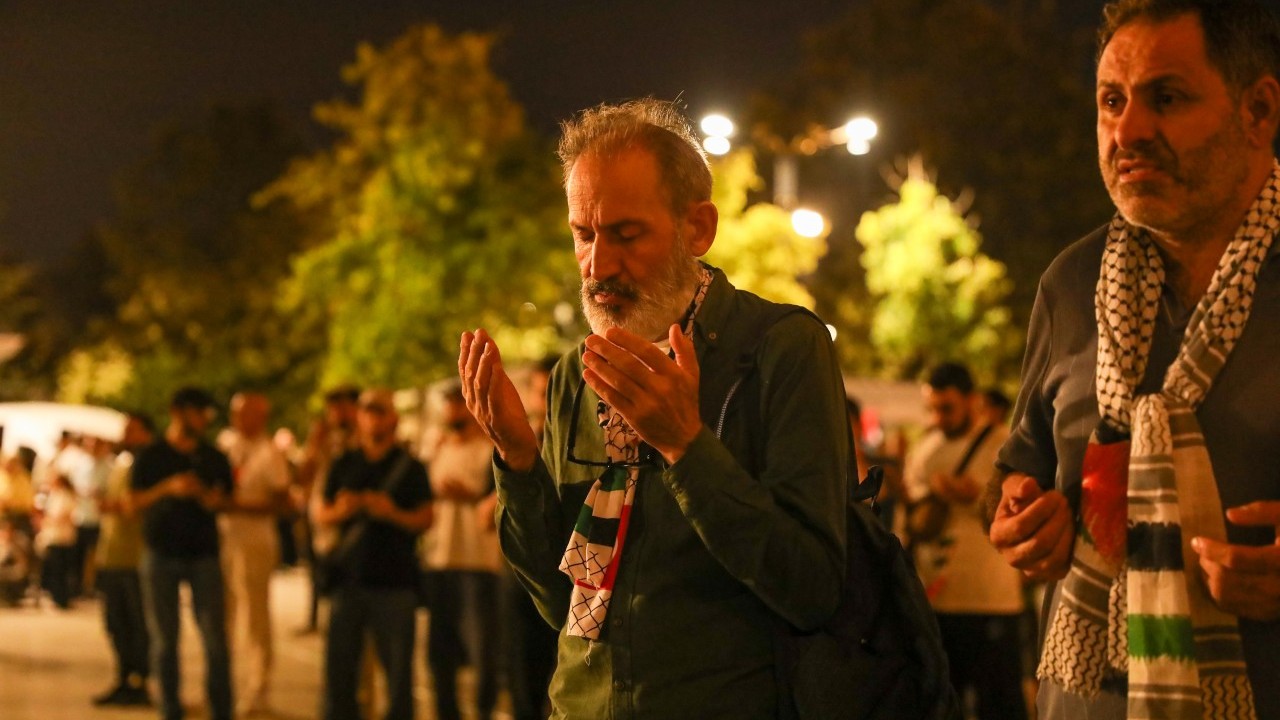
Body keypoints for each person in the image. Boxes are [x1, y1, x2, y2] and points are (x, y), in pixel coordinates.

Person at [458, 98, 849, 718]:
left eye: (626, 233)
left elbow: (811, 589)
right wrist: (518, 460)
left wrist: (687, 448)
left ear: (697, 228)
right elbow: (563, 603)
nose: (597, 266)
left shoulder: (780, 350)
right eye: (583, 235)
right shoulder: (574, 377)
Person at [985, 2, 1280, 718]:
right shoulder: (1070, 283)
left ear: (1259, 110)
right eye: (1111, 101)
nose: (1129, 131)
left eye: (1167, 99)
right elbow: (1019, 466)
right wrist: (1019, 518)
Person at [903, 363, 1024, 720]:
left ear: (972, 401)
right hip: (936, 601)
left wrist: (977, 498)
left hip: (991, 600)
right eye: (932, 408)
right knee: (941, 701)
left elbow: (1020, 512)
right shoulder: (925, 448)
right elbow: (911, 511)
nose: (938, 417)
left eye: (947, 408)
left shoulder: (1003, 445)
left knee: (999, 704)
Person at [316, 388, 433, 720]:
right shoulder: (344, 463)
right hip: (347, 581)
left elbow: (426, 518)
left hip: (394, 583)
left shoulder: (410, 467)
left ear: (393, 417)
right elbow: (321, 512)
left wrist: (390, 512)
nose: (372, 416)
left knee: (397, 677)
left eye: (379, 410)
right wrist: (342, 510)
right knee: (339, 673)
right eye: (366, 410)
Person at [131, 386, 234, 720]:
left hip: (203, 554)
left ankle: (221, 709)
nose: (204, 419)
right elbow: (133, 503)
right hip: (160, 554)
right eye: (198, 411)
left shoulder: (213, 457)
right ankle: (170, 708)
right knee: (165, 639)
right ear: (178, 412)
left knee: (215, 638)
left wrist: (206, 496)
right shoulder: (152, 455)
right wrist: (168, 488)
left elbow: (227, 499)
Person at [422, 382, 501, 720]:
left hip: (478, 560)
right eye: (449, 404)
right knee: (440, 647)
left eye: (459, 404)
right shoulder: (438, 450)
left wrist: (468, 496)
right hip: (440, 558)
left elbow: (495, 501)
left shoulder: (488, 451)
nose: (452, 411)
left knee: (482, 646)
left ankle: (483, 709)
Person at [217, 391, 291, 717]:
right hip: (222, 539)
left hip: (255, 541)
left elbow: (283, 501)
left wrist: (238, 505)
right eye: (236, 412)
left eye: (247, 413)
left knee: (254, 618)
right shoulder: (225, 445)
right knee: (223, 617)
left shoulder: (270, 452)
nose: (240, 419)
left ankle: (258, 688)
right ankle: (222, 688)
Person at [92, 412, 156, 708]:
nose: (125, 436)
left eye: (132, 430)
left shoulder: (151, 465)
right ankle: (124, 677)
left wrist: (117, 506)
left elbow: (142, 506)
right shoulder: (122, 464)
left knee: (137, 623)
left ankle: (138, 681)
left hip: (137, 556)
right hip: (114, 553)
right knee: (116, 622)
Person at [296, 383, 361, 636]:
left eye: (344, 407)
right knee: (321, 571)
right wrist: (315, 446)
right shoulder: (323, 441)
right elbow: (302, 476)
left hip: (351, 522)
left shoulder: (363, 440)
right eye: (334, 408)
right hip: (322, 519)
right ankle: (321, 619)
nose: (339, 414)